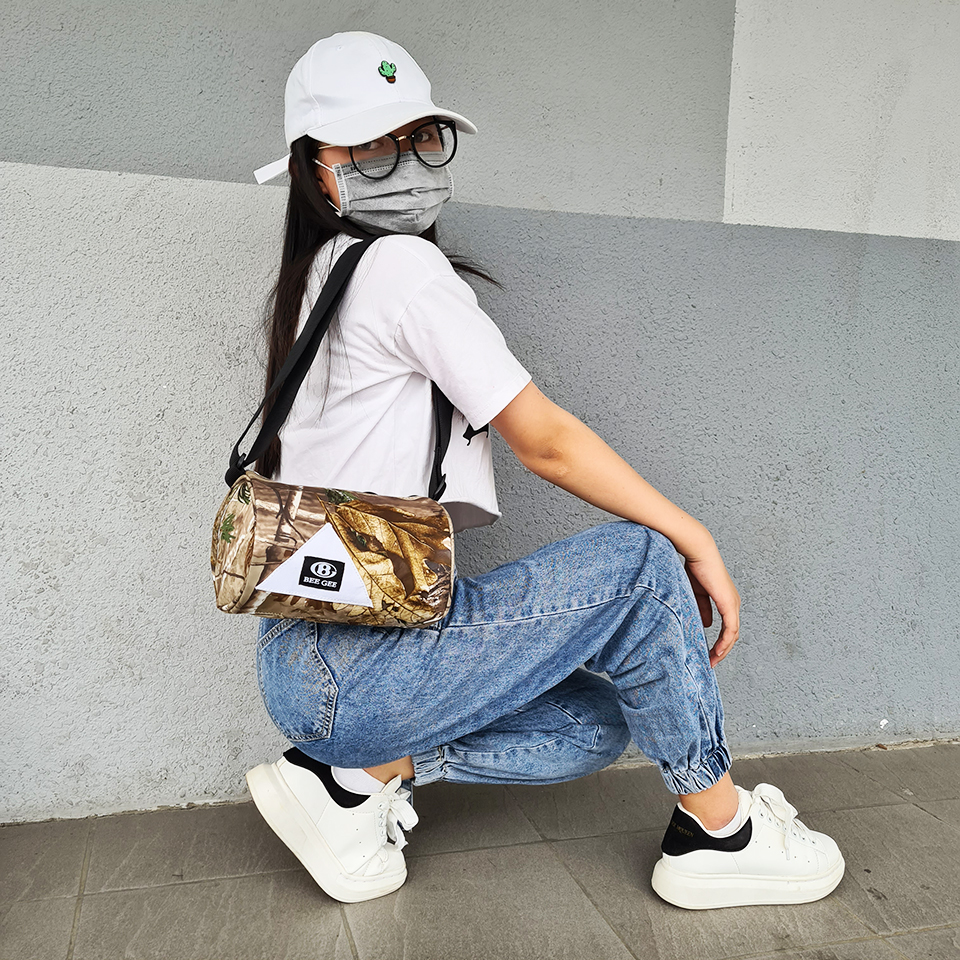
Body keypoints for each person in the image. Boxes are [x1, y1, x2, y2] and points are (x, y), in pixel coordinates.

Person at [244, 31, 845, 909]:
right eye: (369, 144)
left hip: (306, 665)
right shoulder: (401, 266)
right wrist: (696, 537)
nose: (404, 162)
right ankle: (721, 833)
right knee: (643, 564)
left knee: (592, 724)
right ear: (315, 170)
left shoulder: (320, 276)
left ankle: (350, 780)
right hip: (355, 662)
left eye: (419, 137)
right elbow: (545, 441)